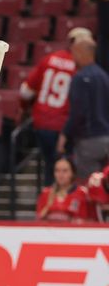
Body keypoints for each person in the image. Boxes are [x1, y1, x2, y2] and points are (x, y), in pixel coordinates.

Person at [20, 28, 92, 185]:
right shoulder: (80, 66)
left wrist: (24, 108)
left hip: (41, 123)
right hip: (63, 127)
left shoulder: (49, 58)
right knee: (66, 171)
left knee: (51, 169)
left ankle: (49, 202)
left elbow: (25, 92)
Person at [57, 35, 109, 179]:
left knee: (90, 186)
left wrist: (65, 134)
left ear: (81, 52)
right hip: (106, 138)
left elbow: (78, 112)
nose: (73, 57)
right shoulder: (104, 76)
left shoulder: (79, 78)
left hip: (88, 141)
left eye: (74, 53)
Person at [35, 157, 95, 222]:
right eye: (57, 170)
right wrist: (48, 205)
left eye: (65, 171)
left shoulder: (82, 193)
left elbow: (90, 221)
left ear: (73, 173)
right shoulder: (46, 193)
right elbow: (39, 219)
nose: (60, 175)